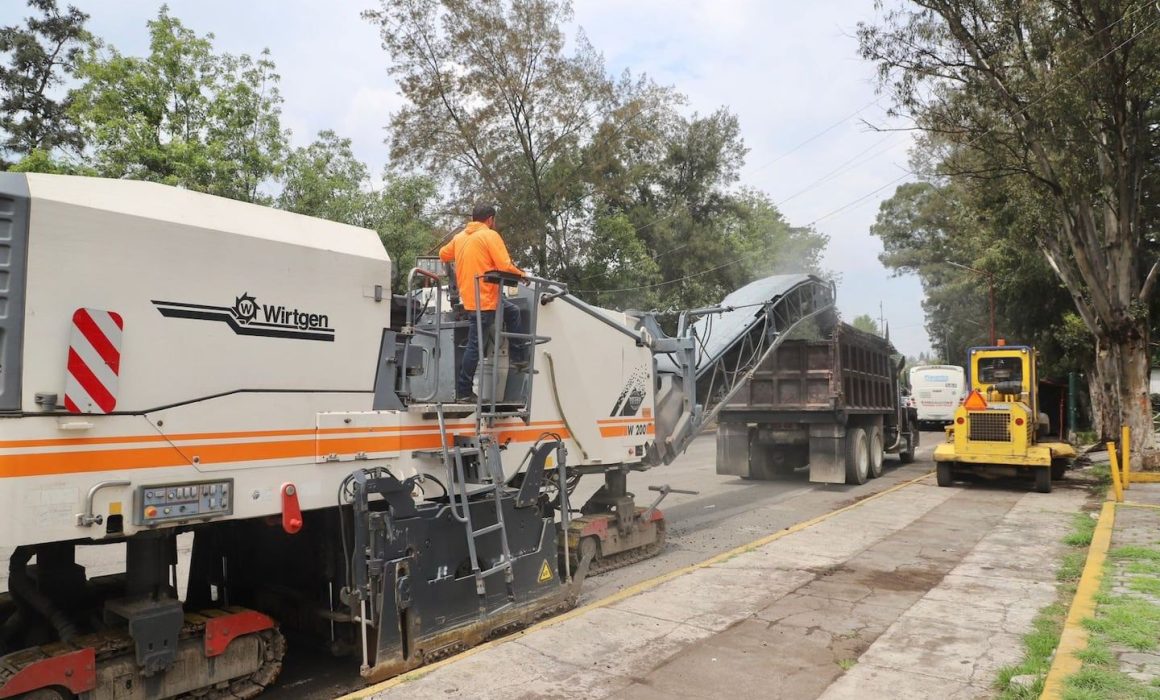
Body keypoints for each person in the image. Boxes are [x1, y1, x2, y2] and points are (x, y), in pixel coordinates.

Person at [439, 204, 528, 402]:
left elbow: (443, 255)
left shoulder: (460, 237)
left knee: (512, 312)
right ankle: (463, 392)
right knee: (475, 345)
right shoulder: (489, 235)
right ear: (490, 219)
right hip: (486, 298)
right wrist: (521, 275)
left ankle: (518, 358)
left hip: (472, 297)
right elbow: (504, 264)